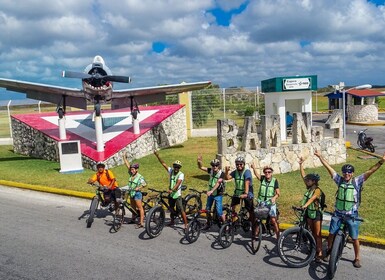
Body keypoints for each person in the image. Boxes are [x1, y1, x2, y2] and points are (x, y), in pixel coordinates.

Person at [315, 150, 385, 268]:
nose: (346, 174)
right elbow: (329, 168)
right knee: (331, 233)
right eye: (345, 172)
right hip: (338, 214)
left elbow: (370, 171)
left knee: (354, 238)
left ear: (352, 173)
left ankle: (357, 257)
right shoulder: (339, 180)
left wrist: (381, 162)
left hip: (351, 215)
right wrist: (320, 157)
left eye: (349, 172)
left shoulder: (357, 181)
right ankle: (330, 250)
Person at [154, 150, 188, 231]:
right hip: (171, 194)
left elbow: (178, 183)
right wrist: (157, 155)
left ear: (179, 168)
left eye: (178, 167)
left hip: (177, 194)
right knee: (171, 208)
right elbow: (163, 164)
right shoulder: (171, 171)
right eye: (175, 166)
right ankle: (172, 221)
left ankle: (186, 224)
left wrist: (172, 190)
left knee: (181, 209)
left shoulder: (181, 174)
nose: (176, 168)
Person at [299, 157, 324, 262]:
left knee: (318, 234)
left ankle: (320, 252)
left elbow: (313, 198)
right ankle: (313, 248)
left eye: (309, 180)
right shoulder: (309, 188)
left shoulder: (317, 190)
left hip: (316, 214)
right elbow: (303, 176)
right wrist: (301, 165)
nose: (307, 181)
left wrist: (305, 205)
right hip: (309, 213)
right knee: (311, 232)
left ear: (313, 181)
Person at [251, 161, 280, 239]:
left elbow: (278, 193)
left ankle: (279, 237)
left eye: (269, 172)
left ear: (271, 172)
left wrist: (274, 198)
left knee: (273, 220)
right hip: (261, 202)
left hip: (270, 203)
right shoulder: (263, 178)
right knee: (257, 218)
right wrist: (254, 168)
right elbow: (257, 175)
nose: (267, 173)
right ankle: (256, 235)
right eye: (266, 172)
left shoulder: (275, 181)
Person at [197, 156, 226, 230]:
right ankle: (208, 223)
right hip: (211, 194)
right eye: (213, 165)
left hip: (218, 194)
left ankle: (226, 225)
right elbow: (201, 167)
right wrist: (199, 162)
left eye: (216, 165)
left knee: (219, 212)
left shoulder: (221, 173)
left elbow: (218, 183)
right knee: (207, 209)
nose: (214, 167)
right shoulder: (211, 171)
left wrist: (211, 191)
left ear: (218, 166)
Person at [224, 156, 254, 227]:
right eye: (237, 164)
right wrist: (226, 171)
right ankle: (233, 222)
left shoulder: (247, 172)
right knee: (232, 208)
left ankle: (254, 225)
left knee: (251, 210)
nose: (239, 166)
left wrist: (246, 194)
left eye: (241, 164)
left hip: (247, 193)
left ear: (244, 164)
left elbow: (247, 182)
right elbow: (227, 178)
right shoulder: (235, 172)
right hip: (237, 192)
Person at [122, 154, 146, 229]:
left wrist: (138, 188)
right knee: (132, 207)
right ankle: (133, 219)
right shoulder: (131, 175)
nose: (131, 171)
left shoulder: (140, 177)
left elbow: (144, 184)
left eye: (133, 170)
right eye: (131, 169)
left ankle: (141, 222)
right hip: (131, 193)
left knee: (140, 208)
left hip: (137, 194)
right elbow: (128, 166)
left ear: (136, 170)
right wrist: (124, 158)